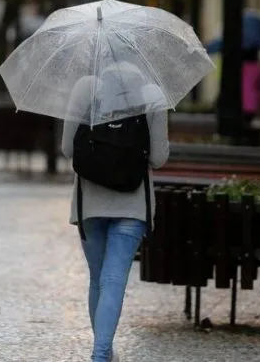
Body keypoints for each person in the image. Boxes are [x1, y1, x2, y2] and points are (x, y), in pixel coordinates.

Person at [61, 66, 170, 362]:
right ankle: (100, 355)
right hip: (131, 205)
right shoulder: (153, 95)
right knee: (114, 281)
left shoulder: (85, 89)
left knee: (98, 280)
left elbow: (67, 149)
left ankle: (103, 354)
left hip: (91, 203)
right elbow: (159, 159)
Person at [241, 48, 260, 125]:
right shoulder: (259, 69)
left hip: (241, 99)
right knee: (249, 122)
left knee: (242, 122)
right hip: (253, 100)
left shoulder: (242, 67)